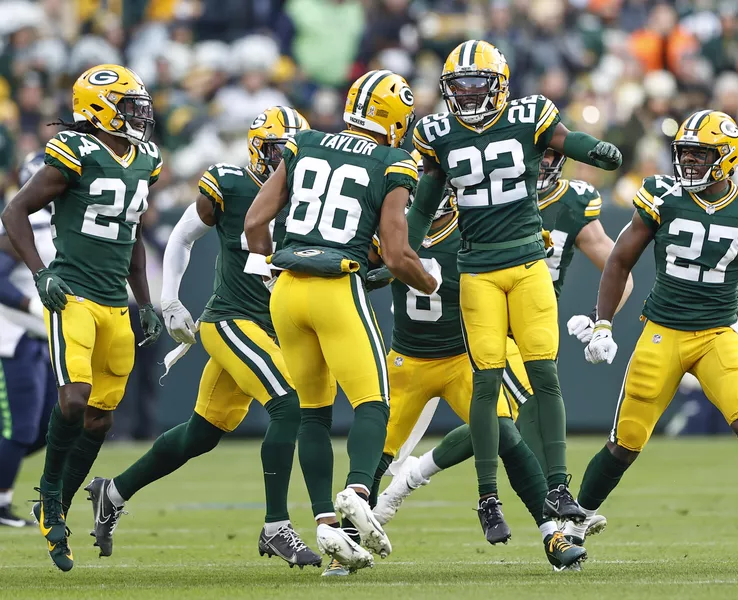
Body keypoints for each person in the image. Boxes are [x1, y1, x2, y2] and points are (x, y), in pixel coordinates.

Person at [85, 106, 322, 568]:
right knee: (288, 404)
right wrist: (168, 299)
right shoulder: (232, 184)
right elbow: (182, 236)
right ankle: (276, 526)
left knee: (200, 435)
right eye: (277, 152)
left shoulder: (313, 195)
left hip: (273, 327)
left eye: (293, 154)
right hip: (231, 320)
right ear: (257, 149)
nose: (285, 163)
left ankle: (111, 492)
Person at [406, 40, 623, 541]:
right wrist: (405, 254)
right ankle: (487, 496)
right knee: (486, 382)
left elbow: (569, 141)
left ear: (499, 84)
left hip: (527, 264)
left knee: (545, 376)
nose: (465, 93)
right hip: (478, 268)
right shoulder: (437, 132)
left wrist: (598, 150)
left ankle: (558, 487)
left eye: (475, 84)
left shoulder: (530, 114)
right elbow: (422, 207)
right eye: (457, 85)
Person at [372, 150, 635, 559]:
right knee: (521, 413)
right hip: (486, 331)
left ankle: (418, 477)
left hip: (530, 325)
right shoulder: (481, 203)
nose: (543, 163)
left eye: (551, 155)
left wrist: (601, 318)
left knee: (507, 425)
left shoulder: (569, 203)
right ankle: (556, 510)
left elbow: (619, 269)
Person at [570, 110, 738, 566]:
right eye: (685, 153)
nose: (689, 163)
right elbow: (618, 261)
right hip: (663, 332)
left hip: (719, 332)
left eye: (700, 154)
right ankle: (571, 525)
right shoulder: (663, 196)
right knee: (625, 443)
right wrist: (603, 322)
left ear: (726, 158)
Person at [244, 69, 436, 572]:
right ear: (395, 117)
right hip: (336, 285)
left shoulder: (305, 141)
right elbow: (396, 256)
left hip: (286, 290)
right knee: (374, 401)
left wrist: (269, 270)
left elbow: (254, 222)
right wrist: (432, 283)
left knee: (313, 412)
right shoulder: (395, 160)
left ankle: (327, 525)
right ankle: (356, 491)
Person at [0, 64, 163, 572]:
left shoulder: (145, 160)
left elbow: (132, 234)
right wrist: (42, 271)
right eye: (128, 104)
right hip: (72, 295)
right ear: (99, 108)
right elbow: (14, 212)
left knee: (101, 416)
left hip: (116, 301)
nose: (139, 114)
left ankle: (59, 504)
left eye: (139, 105)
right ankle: (49, 496)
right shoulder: (75, 152)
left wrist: (145, 299)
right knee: (72, 401)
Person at [0, 152, 56, 528]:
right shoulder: (25, 219)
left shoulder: (58, 220)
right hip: (13, 334)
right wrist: (32, 308)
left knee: (44, 428)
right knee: (19, 427)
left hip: (40, 338)